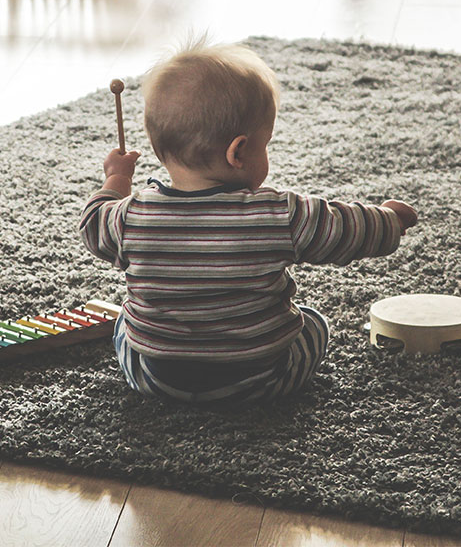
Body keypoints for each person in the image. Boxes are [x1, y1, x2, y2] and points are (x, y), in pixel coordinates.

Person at [79, 38, 417, 406]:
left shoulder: (130, 217)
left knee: (123, 326)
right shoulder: (279, 214)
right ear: (238, 151)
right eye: (265, 143)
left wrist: (116, 179)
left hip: (159, 380)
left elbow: (93, 224)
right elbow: (345, 228)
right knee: (314, 323)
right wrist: (389, 220)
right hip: (261, 379)